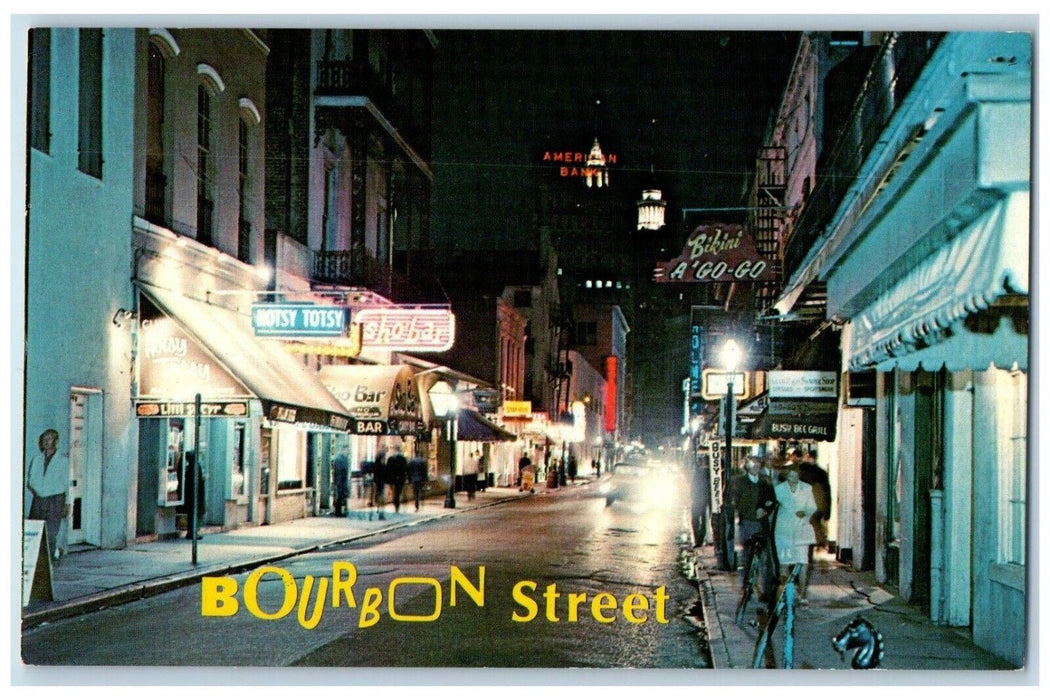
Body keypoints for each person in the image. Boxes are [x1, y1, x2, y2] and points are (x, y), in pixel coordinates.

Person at [773, 462, 818, 604]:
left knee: (803, 562)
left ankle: (802, 595)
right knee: (785, 562)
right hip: (784, 531)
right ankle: (785, 594)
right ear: (786, 475)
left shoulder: (807, 488)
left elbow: (812, 507)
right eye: (791, 474)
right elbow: (775, 507)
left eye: (796, 474)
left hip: (801, 529)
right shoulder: (779, 489)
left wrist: (805, 513)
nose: (793, 477)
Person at [26, 428, 71, 564]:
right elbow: (31, 480)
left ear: (55, 441)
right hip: (39, 499)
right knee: (36, 529)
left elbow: (66, 482)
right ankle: (36, 561)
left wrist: (67, 503)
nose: (46, 441)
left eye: (49, 439)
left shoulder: (63, 460)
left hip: (56, 499)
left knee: (51, 532)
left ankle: (50, 560)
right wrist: (38, 491)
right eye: (44, 439)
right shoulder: (36, 459)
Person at [732, 456, 776, 594]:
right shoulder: (740, 482)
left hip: (762, 523)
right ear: (747, 466)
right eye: (753, 464)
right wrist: (745, 512)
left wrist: (765, 510)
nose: (756, 467)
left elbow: (772, 500)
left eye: (758, 464)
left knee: (764, 557)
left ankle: (765, 588)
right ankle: (748, 585)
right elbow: (735, 501)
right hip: (747, 522)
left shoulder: (765, 481)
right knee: (748, 555)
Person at [799, 450, 831, 548]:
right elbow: (827, 490)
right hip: (820, 504)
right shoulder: (822, 473)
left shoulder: (803, 472)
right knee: (814, 522)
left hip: (810, 504)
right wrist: (828, 509)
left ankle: (818, 541)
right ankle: (819, 541)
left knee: (811, 522)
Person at [183, 451, 206, 539]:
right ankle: (193, 532)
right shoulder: (196, 466)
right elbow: (197, 481)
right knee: (195, 513)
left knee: (191, 513)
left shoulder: (189, 467)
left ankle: (191, 532)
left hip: (190, 493)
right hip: (196, 494)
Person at [386, 444, 408, 513]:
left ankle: (396, 502)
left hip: (392, 479)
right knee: (398, 492)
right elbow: (405, 469)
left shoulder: (390, 459)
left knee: (394, 492)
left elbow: (388, 469)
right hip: (400, 479)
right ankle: (397, 504)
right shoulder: (403, 459)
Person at [332, 451, 350, 517]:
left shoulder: (341, 459)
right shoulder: (341, 460)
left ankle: (339, 511)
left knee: (341, 497)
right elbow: (342, 472)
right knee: (340, 497)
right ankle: (338, 512)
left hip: (340, 481)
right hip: (341, 482)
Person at [372, 450, 387, 520]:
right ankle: (381, 512)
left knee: (378, 496)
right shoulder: (382, 466)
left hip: (377, 482)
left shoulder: (375, 465)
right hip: (381, 482)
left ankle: (378, 508)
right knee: (381, 497)